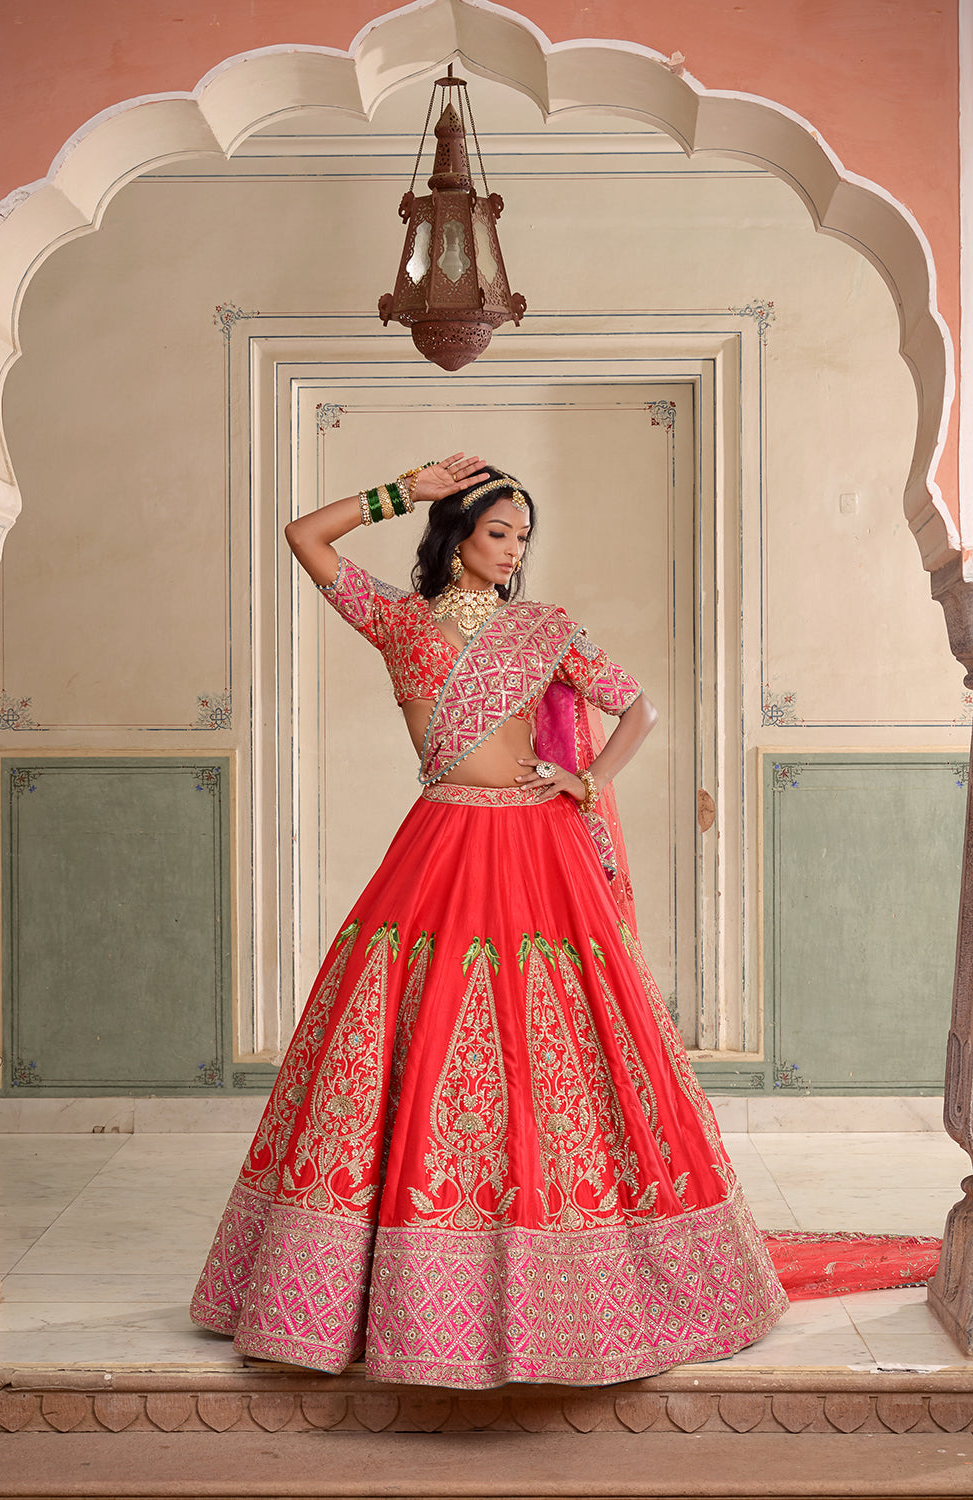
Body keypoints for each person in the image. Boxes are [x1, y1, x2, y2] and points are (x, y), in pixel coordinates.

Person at [190, 454, 788, 1389]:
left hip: (536, 847)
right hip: (441, 842)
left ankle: (576, 1271)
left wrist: (585, 781)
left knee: (554, 1046)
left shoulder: (542, 630)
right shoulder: (400, 620)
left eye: (521, 538)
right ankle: (379, 1290)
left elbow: (638, 705)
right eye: (497, 533)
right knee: (412, 1042)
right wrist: (401, 491)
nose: (511, 553)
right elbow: (305, 536)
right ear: (456, 537)